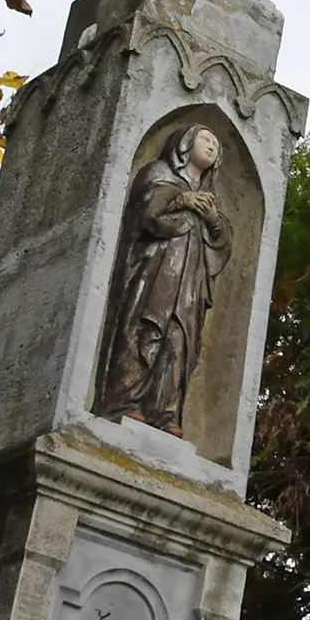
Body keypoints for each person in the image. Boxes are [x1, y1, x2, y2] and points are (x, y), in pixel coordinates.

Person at [95, 125, 232, 435]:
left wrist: (211, 219)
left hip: (190, 282)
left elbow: (223, 242)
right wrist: (181, 200)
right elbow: (146, 211)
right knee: (147, 328)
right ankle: (124, 401)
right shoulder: (158, 172)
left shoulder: (211, 197)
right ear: (185, 143)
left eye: (215, 142)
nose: (212, 145)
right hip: (156, 270)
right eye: (205, 138)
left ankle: (165, 412)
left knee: (179, 340)